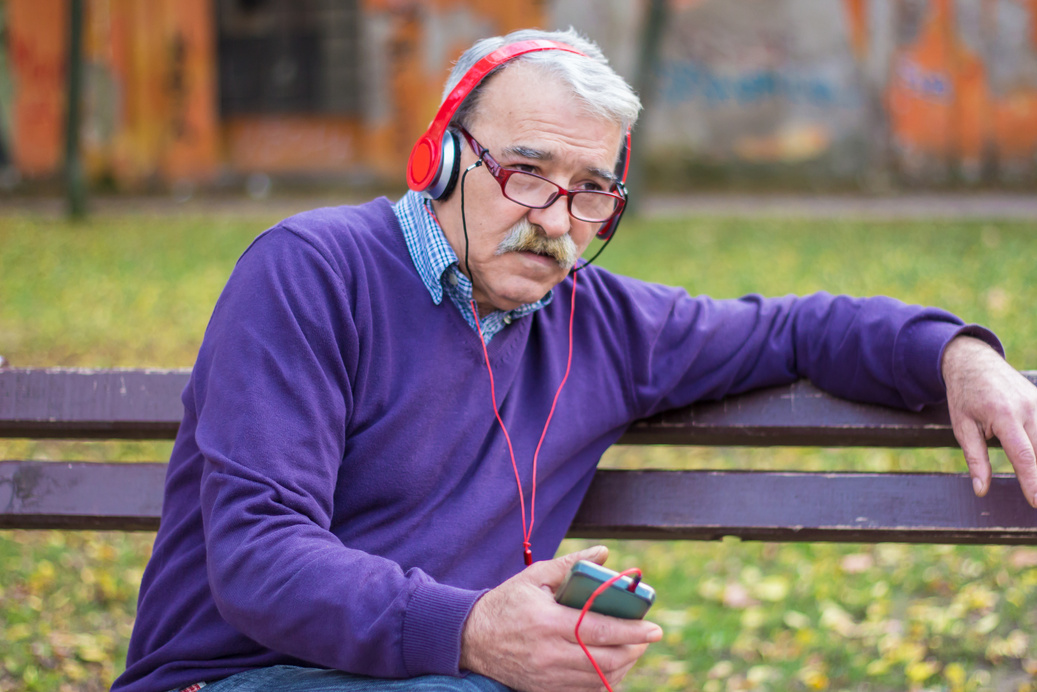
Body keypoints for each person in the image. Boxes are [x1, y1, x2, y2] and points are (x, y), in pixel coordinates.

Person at [112, 28, 1037, 692]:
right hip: (233, 677)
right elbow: (259, 555)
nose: (555, 221)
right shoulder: (311, 272)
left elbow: (795, 329)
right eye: (526, 172)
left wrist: (958, 356)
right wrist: (471, 630)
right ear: (437, 158)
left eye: (591, 192)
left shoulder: (602, 321)